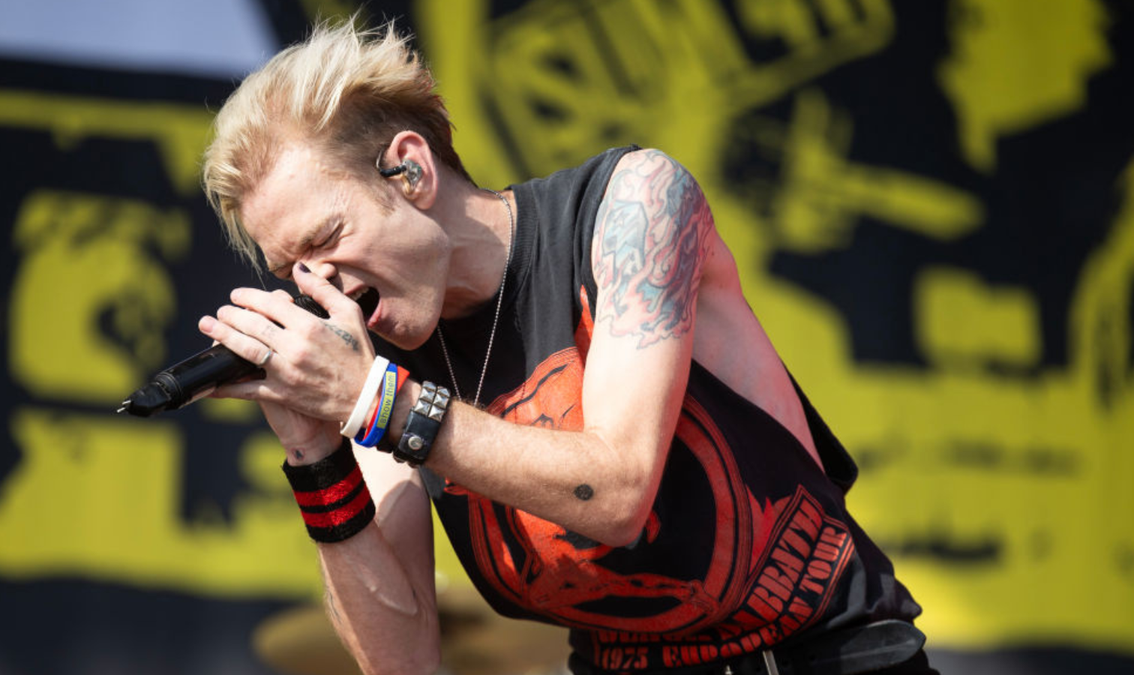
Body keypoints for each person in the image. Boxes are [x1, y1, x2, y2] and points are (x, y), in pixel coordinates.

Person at [199, 18, 934, 675]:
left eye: (325, 239)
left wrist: (377, 404)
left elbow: (618, 493)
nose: (315, 283)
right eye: (291, 269)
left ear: (411, 170)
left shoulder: (631, 204)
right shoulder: (377, 367)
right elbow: (404, 659)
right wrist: (316, 454)